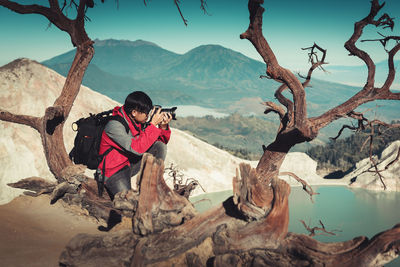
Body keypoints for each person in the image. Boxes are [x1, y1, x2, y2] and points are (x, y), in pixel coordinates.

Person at [97, 91, 172, 199]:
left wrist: (163, 127)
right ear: (134, 112)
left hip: (128, 164)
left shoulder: (136, 122)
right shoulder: (114, 126)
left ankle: (152, 186)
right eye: (146, 112)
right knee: (130, 203)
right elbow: (137, 149)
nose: (148, 115)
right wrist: (152, 125)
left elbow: (157, 141)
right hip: (112, 172)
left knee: (159, 146)